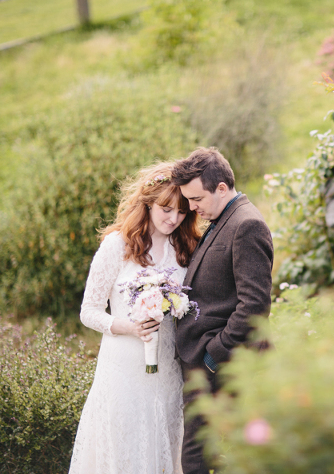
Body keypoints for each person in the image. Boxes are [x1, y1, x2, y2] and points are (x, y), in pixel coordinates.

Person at [69, 162, 201, 474]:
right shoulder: (118, 244)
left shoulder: (184, 246)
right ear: (148, 202)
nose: (173, 219)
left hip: (167, 367)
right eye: (166, 209)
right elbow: (88, 312)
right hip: (123, 367)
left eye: (182, 211)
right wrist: (130, 327)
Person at [172, 147, 274, 474]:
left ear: (221, 188)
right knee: (203, 454)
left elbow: (254, 307)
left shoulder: (247, 225)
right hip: (206, 360)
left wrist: (213, 355)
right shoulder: (222, 218)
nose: (192, 208)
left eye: (196, 199)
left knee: (198, 456)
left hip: (220, 363)